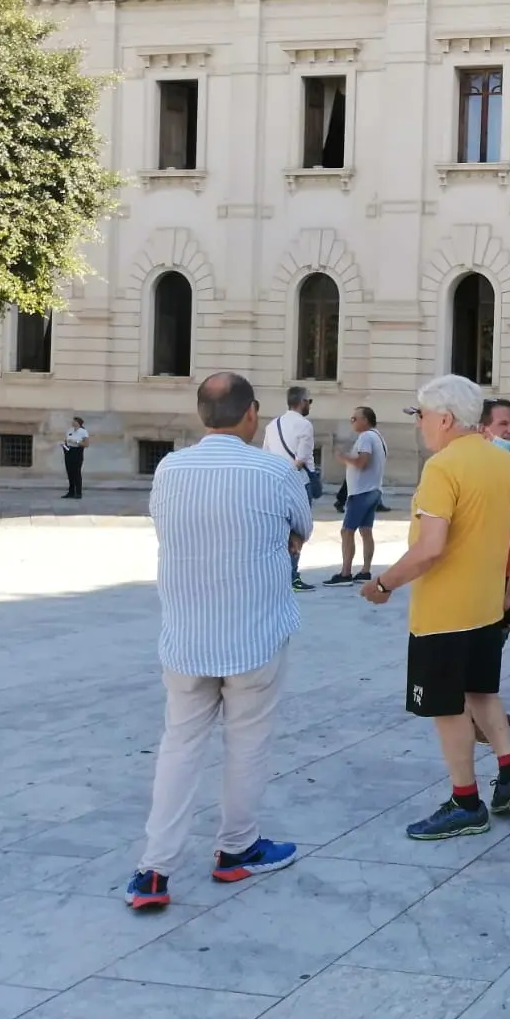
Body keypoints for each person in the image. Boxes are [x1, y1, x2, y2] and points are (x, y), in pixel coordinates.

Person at [127, 373, 310, 910]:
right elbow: (301, 531)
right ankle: (236, 849)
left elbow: (166, 528)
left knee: (179, 746)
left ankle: (154, 870)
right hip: (254, 632)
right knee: (246, 743)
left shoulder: (169, 467)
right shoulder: (274, 470)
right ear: (252, 413)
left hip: (186, 635)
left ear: (201, 413)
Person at [361, 375, 510, 839]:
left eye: (420, 415)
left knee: (447, 706)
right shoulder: (504, 464)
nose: (419, 424)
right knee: (482, 691)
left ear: (444, 418)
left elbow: (430, 547)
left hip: (443, 614)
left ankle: (465, 800)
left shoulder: (442, 468)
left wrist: (384, 583)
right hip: (486, 605)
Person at [478, 397, 510, 734]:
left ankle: (487, 708)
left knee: (496, 642)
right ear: (484, 429)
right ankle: (478, 715)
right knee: (483, 644)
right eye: (503, 424)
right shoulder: (476, 466)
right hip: (484, 569)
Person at [262, 387, 318, 592]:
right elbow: (301, 460)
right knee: (299, 531)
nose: (309, 405)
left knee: (277, 530)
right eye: (309, 401)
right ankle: (292, 577)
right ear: (302, 401)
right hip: (297, 484)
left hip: (273, 484)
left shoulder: (272, 425)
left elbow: (265, 455)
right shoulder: (305, 425)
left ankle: (276, 575)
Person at [326, 407, 386, 586]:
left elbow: (362, 462)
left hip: (362, 491)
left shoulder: (366, 437)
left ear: (365, 420)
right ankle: (365, 571)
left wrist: (344, 458)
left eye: (354, 419)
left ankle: (345, 573)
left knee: (347, 531)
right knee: (366, 531)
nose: (352, 421)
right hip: (373, 490)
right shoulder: (378, 436)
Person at [61, 416, 89, 498]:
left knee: (76, 472)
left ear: (78, 423)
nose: (72, 423)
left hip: (77, 452)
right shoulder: (70, 430)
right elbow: (66, 440)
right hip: (69, 451)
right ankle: (71, 491)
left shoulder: (83, 431)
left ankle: (78, 492)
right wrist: (64, 445)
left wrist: (76, 441)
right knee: (70, 472)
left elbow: (86, 444)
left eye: (74, 421)